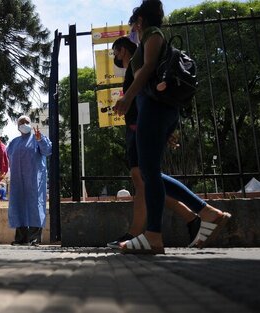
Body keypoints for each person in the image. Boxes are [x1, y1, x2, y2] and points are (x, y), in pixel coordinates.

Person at [114, 0, 231, 254]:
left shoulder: (152, 35)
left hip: (153, 109)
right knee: (150, 173)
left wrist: (127, 98)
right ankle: (206, 212)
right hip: (156, 111)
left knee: (148, 173)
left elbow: (147, 69)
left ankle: (154, 235)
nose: (132, 29)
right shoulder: (148, 37)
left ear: (140, 21)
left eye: (133, 24)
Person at [107, 36, 202, 249]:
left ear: (122, 50)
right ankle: (191, 217)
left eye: (115, 51)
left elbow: (144, 98)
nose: (114, 56)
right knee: (144, 180)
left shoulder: (136, 65)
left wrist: (150, 127)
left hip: (138, 128)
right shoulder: (135, 66)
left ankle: (190, 217)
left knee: (144, 178)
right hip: (138, 126)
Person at [7, 116, 52, 246]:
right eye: (21, 122)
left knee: (35, 206)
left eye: (27, 122)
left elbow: (47, 151)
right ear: (17, 126)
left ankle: (34, 238)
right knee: (18, 206)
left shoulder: (37, 138)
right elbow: (7, 156)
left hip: (34, 180)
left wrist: (40, 139)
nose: (24, 124)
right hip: (18, 181)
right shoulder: (14, 142)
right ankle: (21, 238)